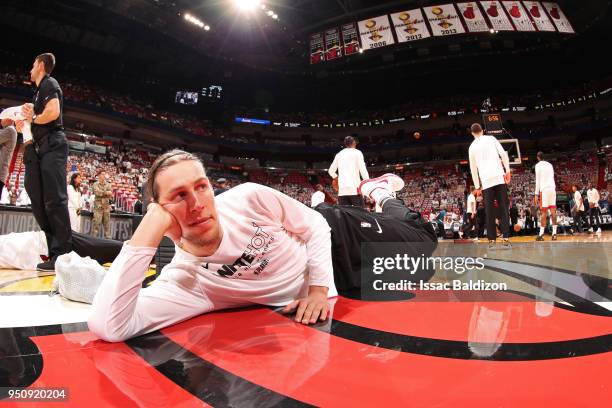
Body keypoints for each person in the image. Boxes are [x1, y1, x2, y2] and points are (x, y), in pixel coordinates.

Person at [88, 150, 436, 342]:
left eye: (202, 186)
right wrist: (145, 234)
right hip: (342, 284)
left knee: (425, 241)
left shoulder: (248, 198)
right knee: (422, 272)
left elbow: (314, 225)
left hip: (336, 234)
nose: (197, 203)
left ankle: (383, 195)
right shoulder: (187, 283)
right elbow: (110, 326)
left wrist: (318, 291)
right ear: (159, 213)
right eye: (179, 196)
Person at [15, 53, 72, 272]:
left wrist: (34, 118)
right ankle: (55, 253)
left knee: (55, 201)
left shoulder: (49, 83)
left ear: (40, 64)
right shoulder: (38, 91)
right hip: (42, 147)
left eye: (32, 64)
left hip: (54, 145)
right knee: (43, 204)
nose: (30, 69)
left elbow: (54, 112)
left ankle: (64, 257)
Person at [468, 123, 512, 249]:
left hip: (486, 182)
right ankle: (506, 238)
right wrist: (507, 170)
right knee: (503, 209)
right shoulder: (492, 139)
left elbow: (473, 169)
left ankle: (492, 240)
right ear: (483, 130)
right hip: (499, 177)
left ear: (472, 133)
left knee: (490, 212)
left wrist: (477, 186)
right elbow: (504, 154)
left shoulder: (472, 147)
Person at [328, 136, 369, 206]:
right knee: (360, 214)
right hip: (354, 189)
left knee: (345, 215)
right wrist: (367, 182)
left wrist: (336, 178)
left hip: (342, 191)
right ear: (354, 143)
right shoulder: (357, 152)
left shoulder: (339, 154)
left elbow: (331, 171)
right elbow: (362, 169)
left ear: (345, 144)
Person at [534, 152, 558, 241]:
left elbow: (538, 180)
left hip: (544, 189)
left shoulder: (538, 165)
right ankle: (554, 234)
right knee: (553, 211)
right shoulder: (550, 165)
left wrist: (536, 194)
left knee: (543, 212)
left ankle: (541, 234)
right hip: (552, 188)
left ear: (538, 157)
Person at [92, 171, 113, 239]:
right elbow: (97, 193)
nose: (104, 175)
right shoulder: (95, 184)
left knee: (107, 225)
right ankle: (93, 241)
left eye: (105, 174)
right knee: (96, 225)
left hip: (106, 207)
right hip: (98, 207)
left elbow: (110, 194)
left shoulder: (108, 184)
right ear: (99, 175)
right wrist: (106, 193)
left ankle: (108, 241)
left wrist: (103, 193)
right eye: (102, 174)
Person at [0, 118, 18, 194]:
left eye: (3, 118)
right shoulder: (8, 130)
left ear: (10, 119)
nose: (1, 120)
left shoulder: (10, 130)